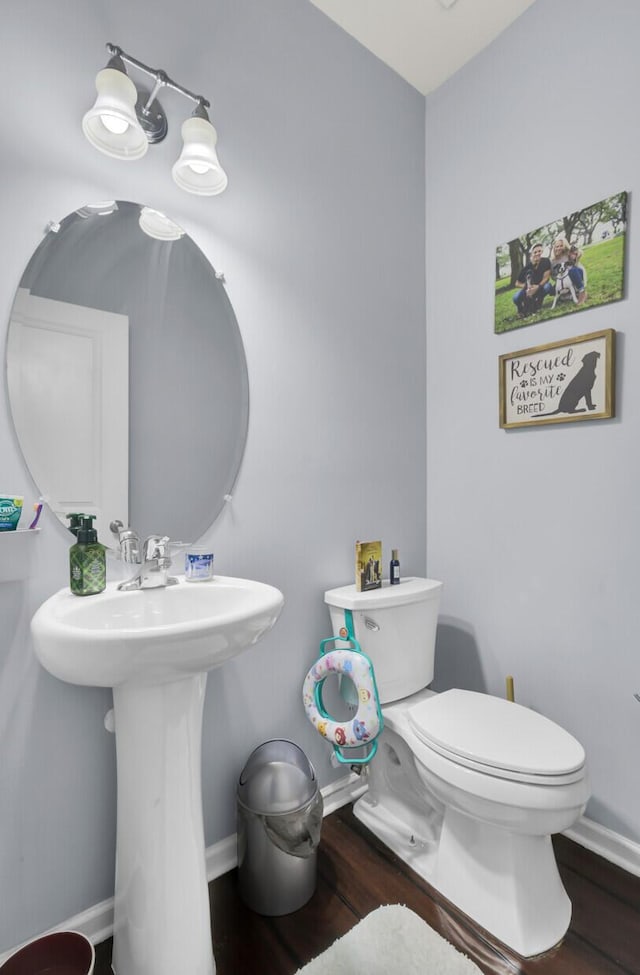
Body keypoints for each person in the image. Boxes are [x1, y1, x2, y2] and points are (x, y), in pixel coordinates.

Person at [512, 243, 551, 318]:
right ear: (532, 255)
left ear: (542, 252)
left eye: (539, 251)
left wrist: (537, 287)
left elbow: (546, 278)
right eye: (535, 252)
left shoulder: (546, 261)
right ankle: (521, 310)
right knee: (516, 297)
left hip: (540, 286)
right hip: (529, 288)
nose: (537, 253)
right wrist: (528, 287)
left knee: (547, 286)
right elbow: (517, 283)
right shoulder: (527, 267)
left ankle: (538, 304)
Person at [548, 235, 586, 304]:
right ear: (554, 248)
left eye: (561, 246)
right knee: (552, 290)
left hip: (575, 275)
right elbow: (553, 276)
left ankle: (582, 292)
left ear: (564, 246)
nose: (559, 248)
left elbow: (579, 253)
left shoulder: (567, 255)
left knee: (572, 270)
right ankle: (567, 296)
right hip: (562, 280)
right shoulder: (552, 261)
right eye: (557, 246)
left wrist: (576, 255)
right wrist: (561, 277)